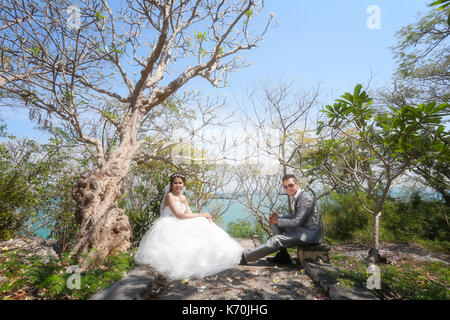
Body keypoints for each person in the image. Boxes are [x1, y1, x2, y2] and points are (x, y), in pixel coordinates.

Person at [134, 173, 244, 280]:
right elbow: (179, 215)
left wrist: (204, 217)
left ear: (183, 184)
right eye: (175, 183)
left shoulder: (183, 197)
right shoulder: (169, 196)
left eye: (180, 183)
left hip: (180, 221)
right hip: (169, 223)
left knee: (203, 222)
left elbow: (189, 213)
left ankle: (213, 256)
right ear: (171, 185)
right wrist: (202, 214)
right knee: (199, 221)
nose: (178, 185)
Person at [240, 174, 322, 265]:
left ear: (297, 184)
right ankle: (283, 255)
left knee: (276, 240)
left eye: (290, 185)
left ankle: (244, 257)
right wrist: (277, 218)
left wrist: (278, 220)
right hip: (301, 229)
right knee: (275, 220)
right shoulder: (296, 197)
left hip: (309, 235)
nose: (288, 189)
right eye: (285, 187)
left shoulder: (306, 198)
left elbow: (297, 221)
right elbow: (296, 217)